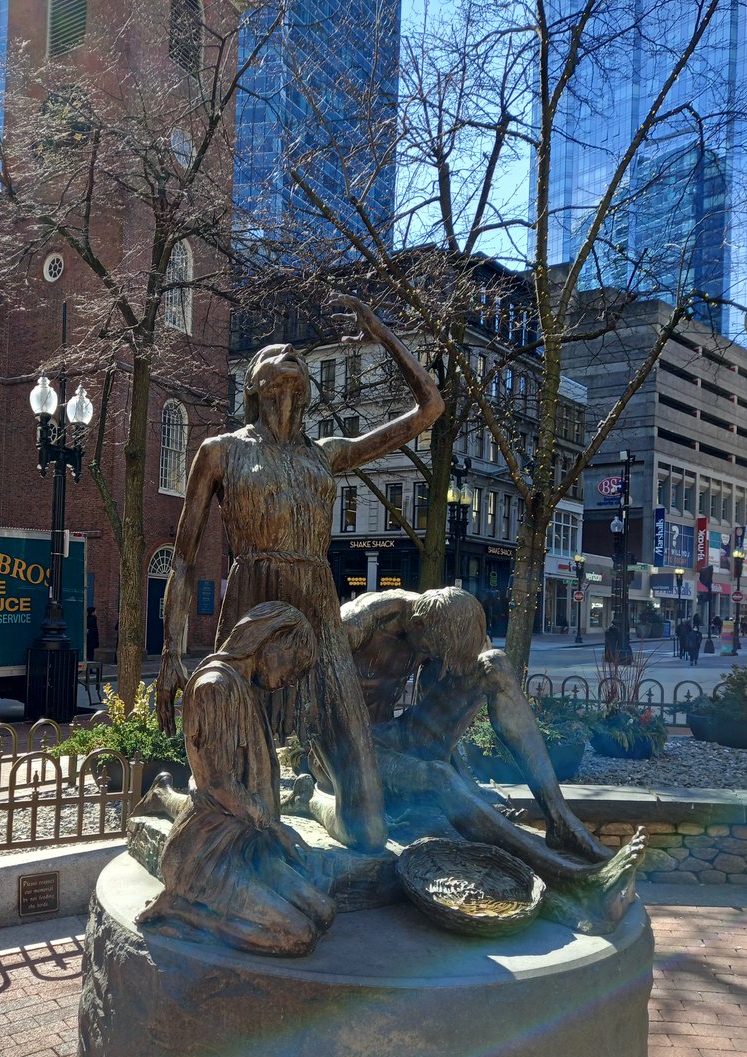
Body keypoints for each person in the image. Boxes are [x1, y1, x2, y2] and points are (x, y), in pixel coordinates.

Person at [155, 295, 444, 853]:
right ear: (254, 385)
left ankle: (314, 797)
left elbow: (428, 408)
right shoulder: (219, 452)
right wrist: (171, 653)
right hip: (252, 610)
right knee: (236, 795)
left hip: (316, 607)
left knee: (368, 826)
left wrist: (384, 333)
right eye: (274, 352)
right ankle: (173, 801)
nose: (288, 352)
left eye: (297, 358)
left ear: (307, 390)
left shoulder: (327, 453)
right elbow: (186, 557)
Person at [339, 587, 644, 931]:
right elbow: (316, 711)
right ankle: (573, 877)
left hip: (396, 736)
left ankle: (562, 822)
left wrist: (468, 784)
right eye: (435, 652)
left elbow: (450, 685)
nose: (437, 660)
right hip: (347, 750)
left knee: (493, 664)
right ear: (420, 625)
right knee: (438, 777)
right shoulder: (357, 625)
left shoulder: (444, 620)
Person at [137, 602, 336, 956]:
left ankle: (211, 902)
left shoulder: (245, 687)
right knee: (298, 936)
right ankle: (184, 909)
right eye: (293, 665)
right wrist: (275, 826)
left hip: (249, 849)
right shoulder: (215, 687)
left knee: (324, 912)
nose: (291, 679)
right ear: (271, 642)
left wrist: (274, 834)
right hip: (208, 857)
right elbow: (217, 783)